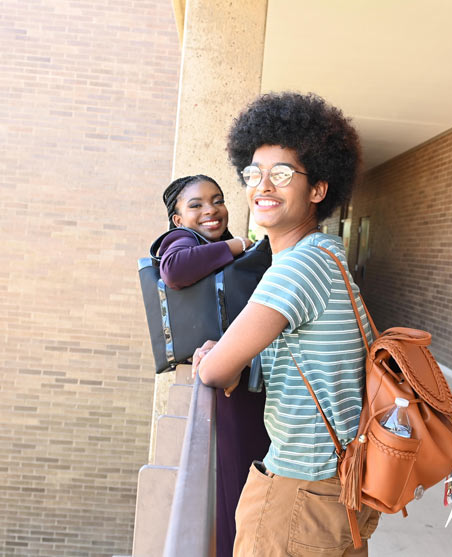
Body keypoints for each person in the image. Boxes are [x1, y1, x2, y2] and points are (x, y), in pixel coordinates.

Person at [193, 92, 380, 556]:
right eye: (254, 174)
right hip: (337, 488)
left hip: (299, 495)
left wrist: (219, 359)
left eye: (282, 174)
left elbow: (215, 371)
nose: (263, 186)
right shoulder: (330, 257)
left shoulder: (297, 268)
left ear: (318, 189)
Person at [156, 174, 270, 557]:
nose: (210, 210)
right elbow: (173, 270)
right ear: (177, 218)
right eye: (196, 204)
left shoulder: (220, 245)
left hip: (242, 374)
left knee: (251, 478)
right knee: (237, 481)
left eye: (217, 200)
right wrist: (240, 244)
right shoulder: (183, 240)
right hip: (225, 383)